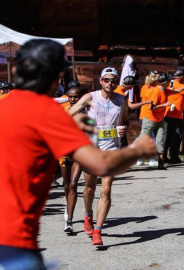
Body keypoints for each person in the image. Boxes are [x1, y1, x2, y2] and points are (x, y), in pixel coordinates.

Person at [0, 39, 156, 269]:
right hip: (12, 243)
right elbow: (101, 165)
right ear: (57, 78)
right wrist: (138, 151)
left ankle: (94, 225)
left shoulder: (4, 105)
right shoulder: (47, 112)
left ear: (15, 70)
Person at [68, 67, 131, 246]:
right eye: (107, 80)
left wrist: (123, 130)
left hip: (111, 149)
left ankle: (98, 230)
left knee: (105, 190)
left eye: (113, 80)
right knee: (89, 188)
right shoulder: (90, 97)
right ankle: (88, 215)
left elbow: (124, 120)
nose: (110, 83)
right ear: (101, 81)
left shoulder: (122, 100)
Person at [59, 83, 85, 233]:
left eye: (76, 96)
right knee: (67, 184)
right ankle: (67, 204)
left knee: (74, 185)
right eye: (71, 96)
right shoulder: (63, 109)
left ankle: (69, 220)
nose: (73, 99)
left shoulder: (87, 111)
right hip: (64, 151)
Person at [137, 72, 172, 169]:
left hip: (160, 118)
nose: (170, 82)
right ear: (164, 82)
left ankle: (160, 162)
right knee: (143, 138)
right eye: (168, 81)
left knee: (159, 139)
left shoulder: (163, 90)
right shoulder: (155, 91)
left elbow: (176, 91)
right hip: (150, 118)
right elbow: (151, 107)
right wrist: (165, 105)